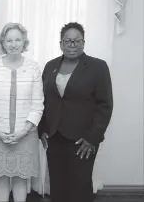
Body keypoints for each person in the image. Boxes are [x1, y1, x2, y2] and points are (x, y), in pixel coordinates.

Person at [38, 22, 113, 202]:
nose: (72, 45)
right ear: (61, 43)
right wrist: (42, 130)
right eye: (68, 41)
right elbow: (42, 100)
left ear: (84, 42)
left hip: (83, 140)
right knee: (57, 186)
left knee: (79, 187)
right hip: (54, 137)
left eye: (76, 41)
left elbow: (105, 105)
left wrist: (92, 137)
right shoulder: (50, 66)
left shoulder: (98, 67)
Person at [0, 22, 44, 202]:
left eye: (18, 39)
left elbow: (38, 103)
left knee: (20, 179)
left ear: (25, 42)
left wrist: (23, 132)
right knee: (0, 178)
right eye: (9, 40)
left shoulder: (33, 68)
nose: (13, 44)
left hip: (26, 134)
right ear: (3, 43)